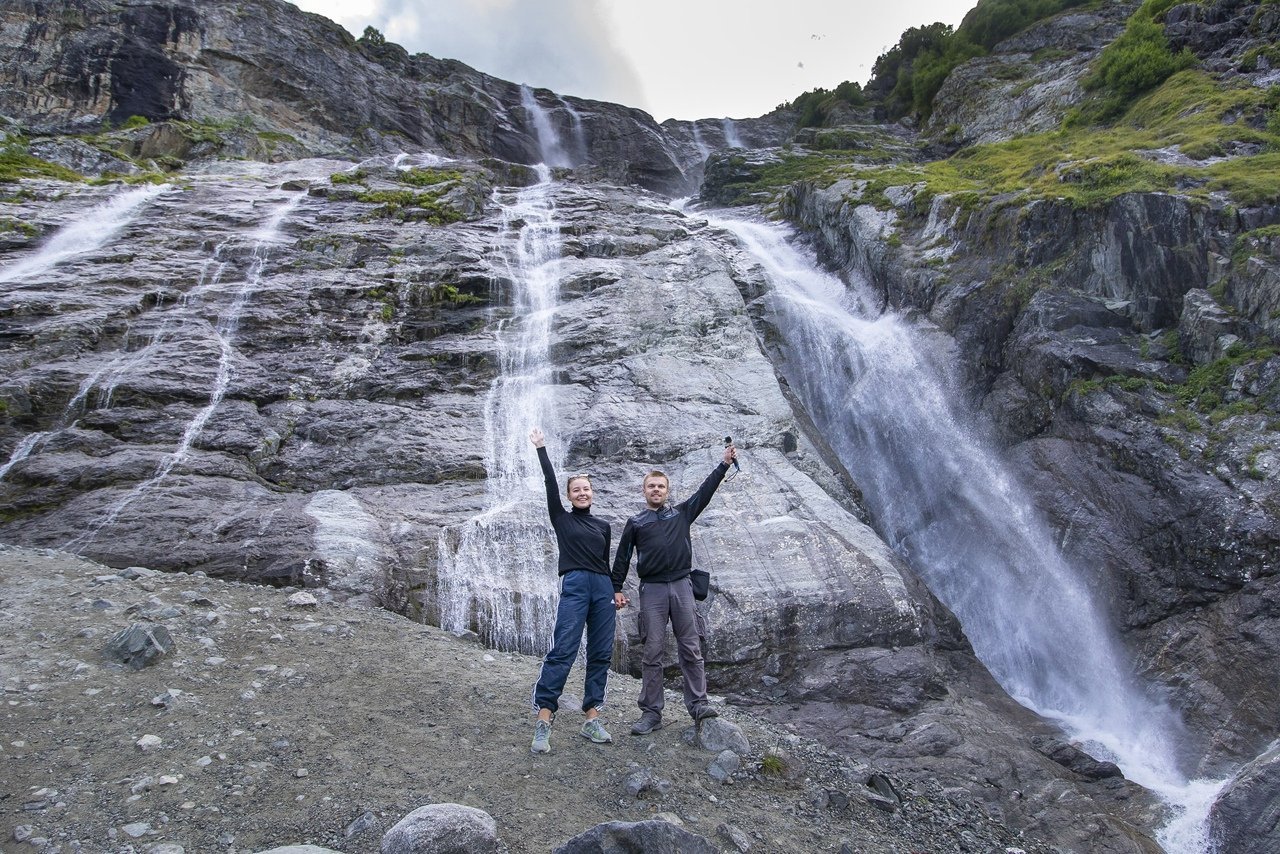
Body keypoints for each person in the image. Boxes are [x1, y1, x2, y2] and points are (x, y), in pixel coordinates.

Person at [610, 441, 737, 734]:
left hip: (681, 586)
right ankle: (651, 713)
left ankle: (698, 705)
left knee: (691, 647)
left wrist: (724, 464)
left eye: (661, 487)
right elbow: (623, 558)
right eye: (651, 486)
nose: (656, 490)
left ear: (667, 491)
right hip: (652, 589)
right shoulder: (635, 523)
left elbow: (704, 493)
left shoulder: (681, 514)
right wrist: (615, 588)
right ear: (644, 491)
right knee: (652, 651)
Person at [528, 428, 619, 754]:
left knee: (600, 653)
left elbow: (605, 564)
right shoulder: (561, 519)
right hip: (576, 584)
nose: (582, 493)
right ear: (569, 497)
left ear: (592, 493)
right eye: (576, 490)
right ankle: (544, 719)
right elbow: (550, 483)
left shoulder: (603, 527)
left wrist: (616, 590)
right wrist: (541, 448)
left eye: (586, 489)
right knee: (564, 648)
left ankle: (591, 717)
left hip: (602, 587)